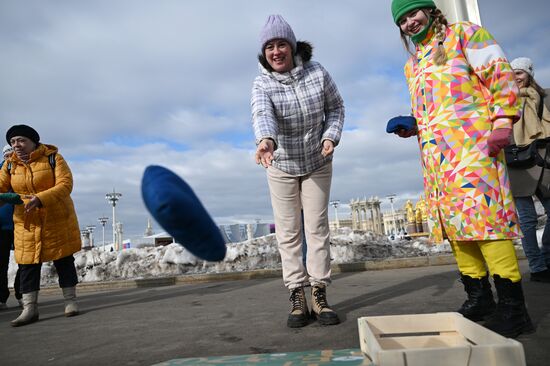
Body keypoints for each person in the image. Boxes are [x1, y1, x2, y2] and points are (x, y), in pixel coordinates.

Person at [390, 0, 533, 337]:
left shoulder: (465, 35)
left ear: (429, 10)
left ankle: (514, 308)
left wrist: (502, 122)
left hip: (474, 149)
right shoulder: (413, 65)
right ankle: (479, 297)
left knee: (487, 223)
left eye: (413, 13)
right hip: (439, 159)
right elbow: (436, 106)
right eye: (403, 20)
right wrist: (414, 124)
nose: (410, 22)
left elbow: (500, 75)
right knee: (456, 227)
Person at [252, 15, 345, 327]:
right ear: (264, 53)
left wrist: (330, 136)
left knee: (316, 228)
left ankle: (319, 293)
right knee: (289, 233)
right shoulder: (262, 82)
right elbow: (263, 113)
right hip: (281, 165)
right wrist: (266, 141)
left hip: (318, 161)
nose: (276, 51)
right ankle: (297, 295)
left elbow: (336, 107)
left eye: (281, 45)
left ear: (292, 47)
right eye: (269, 47)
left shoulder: (317, 73)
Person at [0, 124, 82, 326]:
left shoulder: (53, 158)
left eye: (21, 140)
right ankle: (30, 309)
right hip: (26, 222)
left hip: (56, 218)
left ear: (33, 141)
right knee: (27, 264)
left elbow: (65, 184)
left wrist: (41, 198)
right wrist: (7, 197)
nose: (16, 145)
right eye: (12, 142)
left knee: (63, 259)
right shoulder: (9, 165)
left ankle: (70, 301)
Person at [507, 57, 550, 282]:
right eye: (512, 73)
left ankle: (547, 257)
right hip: (517, 165)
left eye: (520, 73)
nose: (516, 77)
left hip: (543, 162)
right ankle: (537, 267)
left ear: (529, 74)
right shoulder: (503, 100)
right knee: (527, 220)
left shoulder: (544, 96)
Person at [0, 145, 21, 309]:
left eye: (11, 154)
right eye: (7, 155)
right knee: (1, 263)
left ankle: (22, 293)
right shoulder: (1, 174)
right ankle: (2, 298)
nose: (9, 158)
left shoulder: (23, 172)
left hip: (22, 223)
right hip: (3, 226)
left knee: (26, 261)